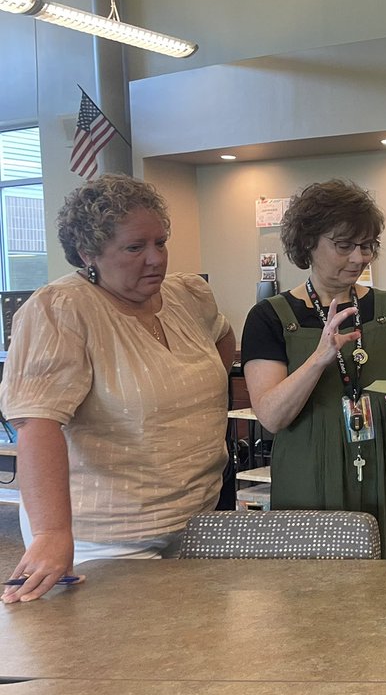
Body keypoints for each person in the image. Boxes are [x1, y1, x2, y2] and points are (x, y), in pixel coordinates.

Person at [0, 174, 235, 603]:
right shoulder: (60, 310)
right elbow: (37, 424)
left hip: (198, 516)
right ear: (89, 252)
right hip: (109, 537)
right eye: (134, 247)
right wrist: (53, 533)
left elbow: (221, 337)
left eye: (160, 242)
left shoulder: (188, 295)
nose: (156, 259)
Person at [241, 179, 386, 559]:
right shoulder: (269, 318)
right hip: (309, 471)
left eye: (367, 245)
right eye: (344, 246)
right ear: (308, 243)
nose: (359, 257)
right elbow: (272, 417)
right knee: (313, 591)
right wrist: (318, 358)